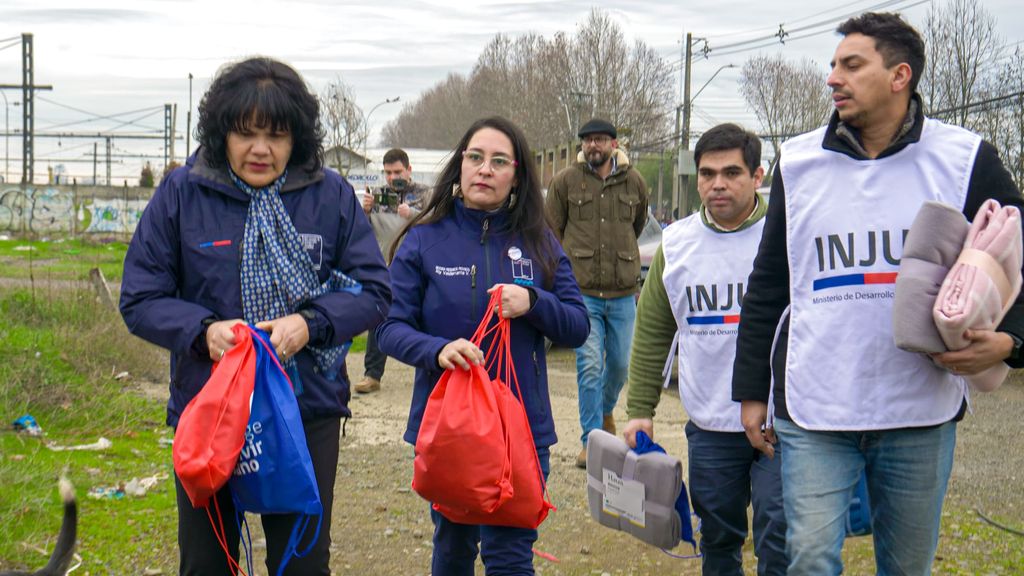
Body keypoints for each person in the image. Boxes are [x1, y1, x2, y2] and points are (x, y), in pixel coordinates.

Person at [732, 13, 1024, 575]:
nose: (832, 78)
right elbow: (769, 285)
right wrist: (751, 391)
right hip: (816, 405)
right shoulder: (798, 163)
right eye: (833, 65)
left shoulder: (964, 158)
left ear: (900, 76)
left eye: (852, 64)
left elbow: (1023, 256)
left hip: (918, 408)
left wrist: (1013, 342)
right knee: (810, 557)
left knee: (906, 566)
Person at [119, 57, 391, 575]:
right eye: (245, 133)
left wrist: (309, 324)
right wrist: (204, 333)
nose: (260, 149)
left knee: (303, 565)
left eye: (277, 135)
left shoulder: (329, 195)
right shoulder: (182, 193)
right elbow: (140, 298)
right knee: (206, 563)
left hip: (305, 408)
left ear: (298, 139)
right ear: (222, 133)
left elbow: (375, 290)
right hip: (209, 408)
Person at [376, 116, 589, 575]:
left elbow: (577, 326)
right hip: (450, 426)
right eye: (475, 157)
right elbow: (388, 328)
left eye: (498, 161)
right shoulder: (424, 240)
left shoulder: (540, 242)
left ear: (517, 175)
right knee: (453, 551)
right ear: (460, 166)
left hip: (523, 429)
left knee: (510, 559)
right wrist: (435, 350)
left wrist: (534, 302)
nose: (484, 169)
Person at [624, 123, 787, 575]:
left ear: (757, 177)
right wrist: (640, 407)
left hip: (782, 418)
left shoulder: (786, 236)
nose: (718, 183)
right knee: (717, 534)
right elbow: (653, 331)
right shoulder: (676, 246)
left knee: (780, 530)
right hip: (712, 421)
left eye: (732, 172)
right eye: (708, 173)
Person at [546, 118, 649, 469]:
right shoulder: (565, 182)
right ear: (582, 145)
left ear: (613, 144)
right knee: (589, 366)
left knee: (619, 365)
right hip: (582, 292)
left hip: (622, 293)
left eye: (601, 140)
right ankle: (592, 439)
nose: (594, 146)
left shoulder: (633, 181)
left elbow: (638, 223)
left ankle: (605, 412)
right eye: (588, 140)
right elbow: (552, 230)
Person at [354, 147, 430, 394]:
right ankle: (372, 375)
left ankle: (435, 371)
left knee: (428, 318)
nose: (392, 177)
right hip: (386, 267)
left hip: (420, 268)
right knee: (377, 317)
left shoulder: (424, 195)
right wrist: (364, 213)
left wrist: (414, 215)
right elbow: (362, 233)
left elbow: (439, 224)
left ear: (409, 170)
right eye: (387, 172)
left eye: (397, 171)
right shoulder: (375, 197)